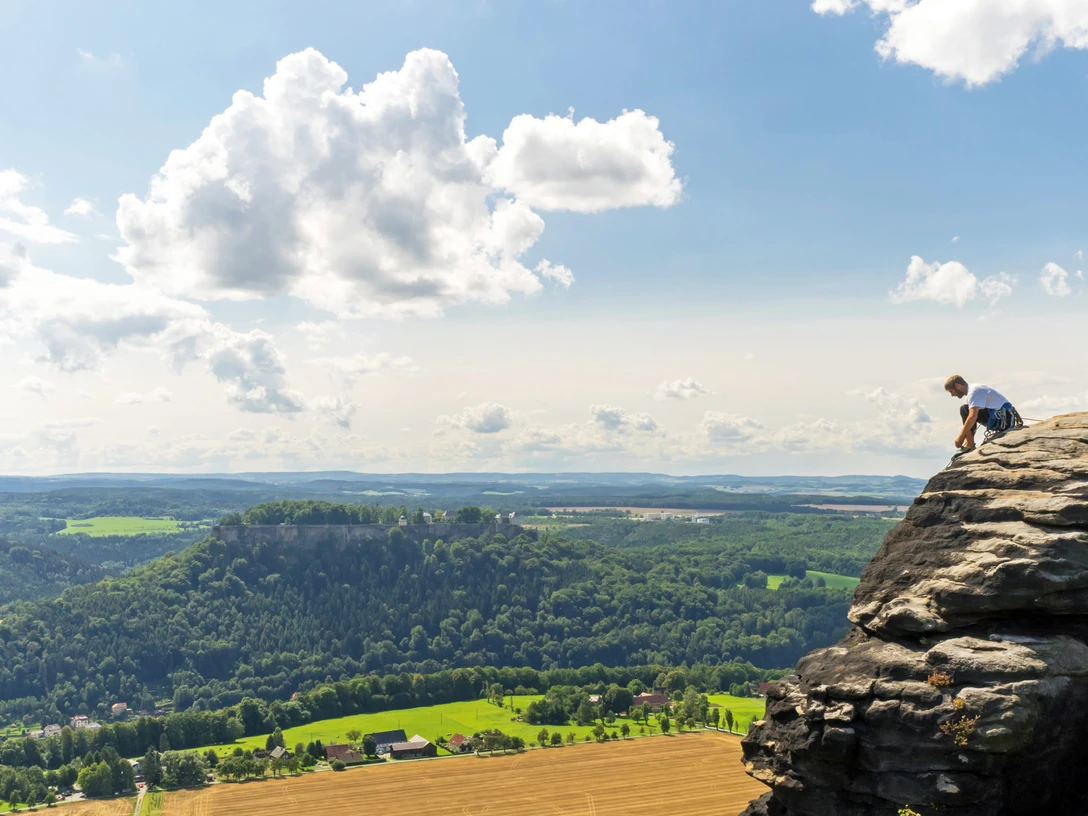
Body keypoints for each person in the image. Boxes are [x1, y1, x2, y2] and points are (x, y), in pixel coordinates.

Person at [944, 375, 1022, 452]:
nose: (952, 395)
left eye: (951, 391)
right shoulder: (975, 389)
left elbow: (972, 417)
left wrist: (960, 437)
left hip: (1002, 420)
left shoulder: (974, 392)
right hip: (1004, 419)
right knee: (967, 410)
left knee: (964, 410)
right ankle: (968, 443)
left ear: (957, 386)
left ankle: (969, 445)